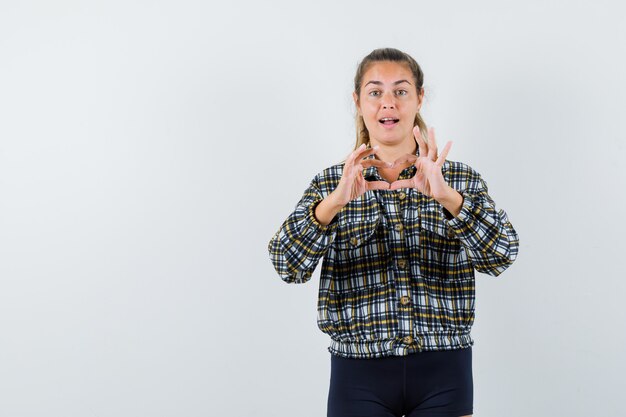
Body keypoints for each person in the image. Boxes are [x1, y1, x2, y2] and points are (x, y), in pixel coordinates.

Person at [267, 47, 519, 417]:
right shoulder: (330, 184)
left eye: (400, 91)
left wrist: (448, 197)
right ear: (358, 102)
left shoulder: (459, 178)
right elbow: (287, 265)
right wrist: (334, 203)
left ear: (419, 98)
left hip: (444, 369)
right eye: (375, 92)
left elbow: (502, 255)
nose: (389, 103)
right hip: (358, 373)